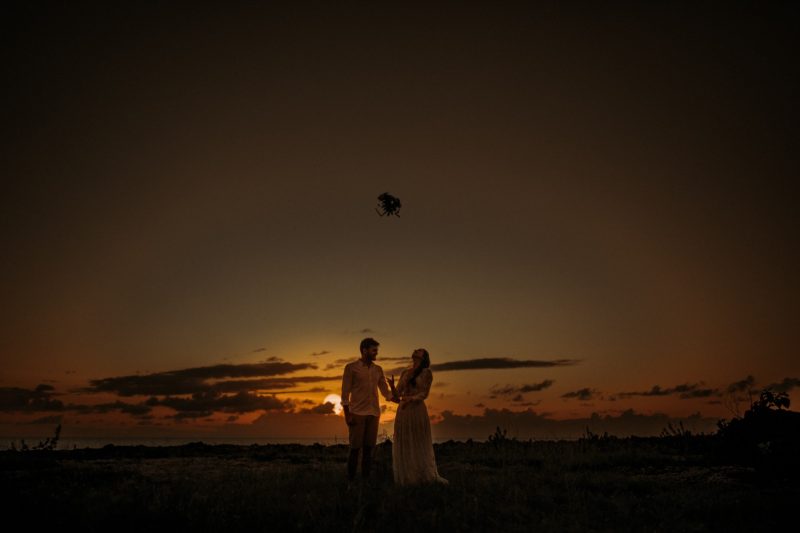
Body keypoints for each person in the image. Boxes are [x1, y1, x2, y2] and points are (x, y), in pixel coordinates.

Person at [389, 348, 448, 486]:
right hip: (403, 411)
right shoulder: (405, 373)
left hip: (416, 410)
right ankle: (407, 476)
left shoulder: (426, 373)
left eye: (420, 351)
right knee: (405, 441)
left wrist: (411, 399)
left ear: (424, 358)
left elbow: (424, 394)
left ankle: (420, 475)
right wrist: (392, 387)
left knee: (417, 440)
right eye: (415, 351)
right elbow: (397, 395)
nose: (416, 352)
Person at [341, 337, 395, 482]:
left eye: (376, 350)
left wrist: (395, 391)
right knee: (354, 449)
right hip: (357, 413)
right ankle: (350, 482)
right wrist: (347, 415)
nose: (376, 353)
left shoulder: (378, 369)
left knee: (369, 449)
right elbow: (345, 394)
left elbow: (385, 393)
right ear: (364, 350)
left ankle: (365, 481)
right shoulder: (351, 368)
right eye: (374, 350)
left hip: (374, 414)